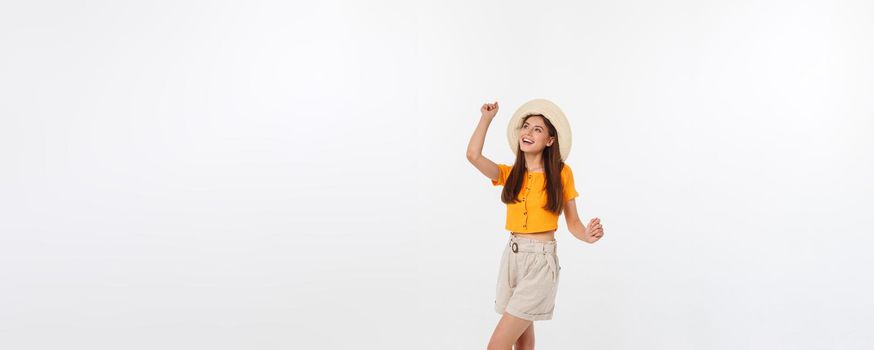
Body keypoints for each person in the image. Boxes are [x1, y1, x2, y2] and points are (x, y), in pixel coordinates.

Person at [466, 99, 605, 350]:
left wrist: (586, 234)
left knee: (496, 346)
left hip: (540, 262)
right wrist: (486, 119)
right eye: (526, 126)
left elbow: (573, 222)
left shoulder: (562, 173)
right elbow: (473, 156)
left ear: (550, 140)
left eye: (537, 129)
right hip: (512, 257)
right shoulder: (510, 174)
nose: (528, 132)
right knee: (522, 345)